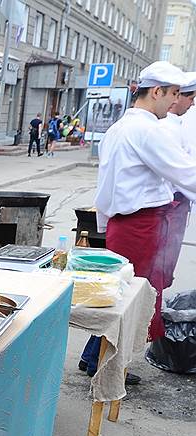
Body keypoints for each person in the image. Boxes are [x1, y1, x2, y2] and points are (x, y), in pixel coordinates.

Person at [79, 61, 196, 384]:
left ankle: (98, 359)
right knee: (131, 303)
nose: (176, 101)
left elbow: (104, 189)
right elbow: (187, 174)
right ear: (156, 92)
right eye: (173, 94)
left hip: (124, 224)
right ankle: (107, 368)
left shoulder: (119, 128)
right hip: (141, 227)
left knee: (118, 297)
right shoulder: (146, 130)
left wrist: (105, 224)